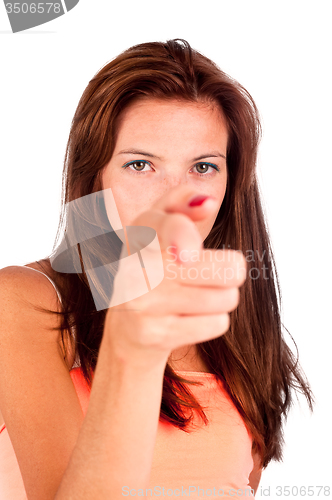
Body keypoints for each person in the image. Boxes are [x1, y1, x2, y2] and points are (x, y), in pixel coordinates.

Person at [0, 39, 314, 499]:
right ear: (96, 175)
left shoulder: (235, 330)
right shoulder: (24, 301)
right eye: (141, 164)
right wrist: (132, 348)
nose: (175, 198)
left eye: (203, 167)